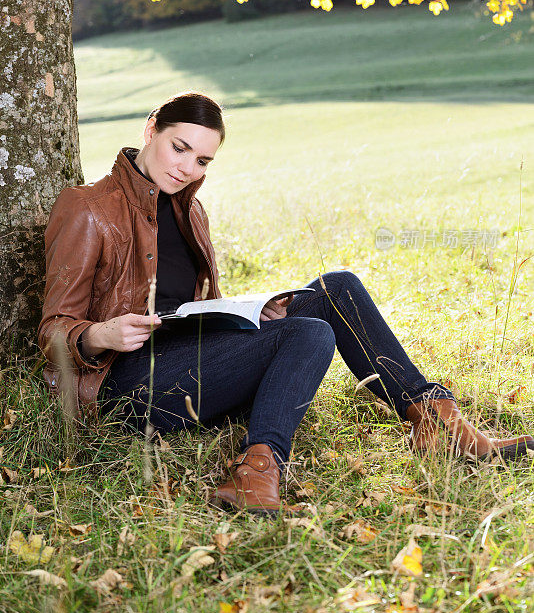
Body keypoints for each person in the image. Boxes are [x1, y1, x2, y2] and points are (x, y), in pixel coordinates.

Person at [38, 92, 534, 516]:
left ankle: (437, 421)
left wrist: (252, 313)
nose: (187, 168)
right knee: (310, 332)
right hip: (128, 385)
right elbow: (54, 326)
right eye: (179, 148)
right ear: (151, 130)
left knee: (336, 287)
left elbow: (187, 307)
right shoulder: (86, 207)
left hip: (193, 356)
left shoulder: (191, 211)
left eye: (202, 160)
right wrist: (101, 334)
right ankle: (256, 473)